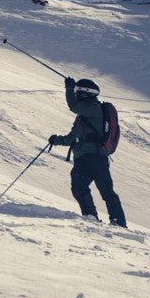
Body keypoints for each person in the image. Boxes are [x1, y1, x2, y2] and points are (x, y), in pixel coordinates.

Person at [49, 77, 127, 228]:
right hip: (82, 158)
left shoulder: (94, 108)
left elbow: (73, 106)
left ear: (85, 93)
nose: (77, 94)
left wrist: (69, 89)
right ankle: (90, 217)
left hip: (96, 158)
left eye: (78, 92)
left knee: (106, 191)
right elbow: (72, 137)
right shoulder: (83, 116)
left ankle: (119, 222)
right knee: (78, 187)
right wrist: (56, 140)